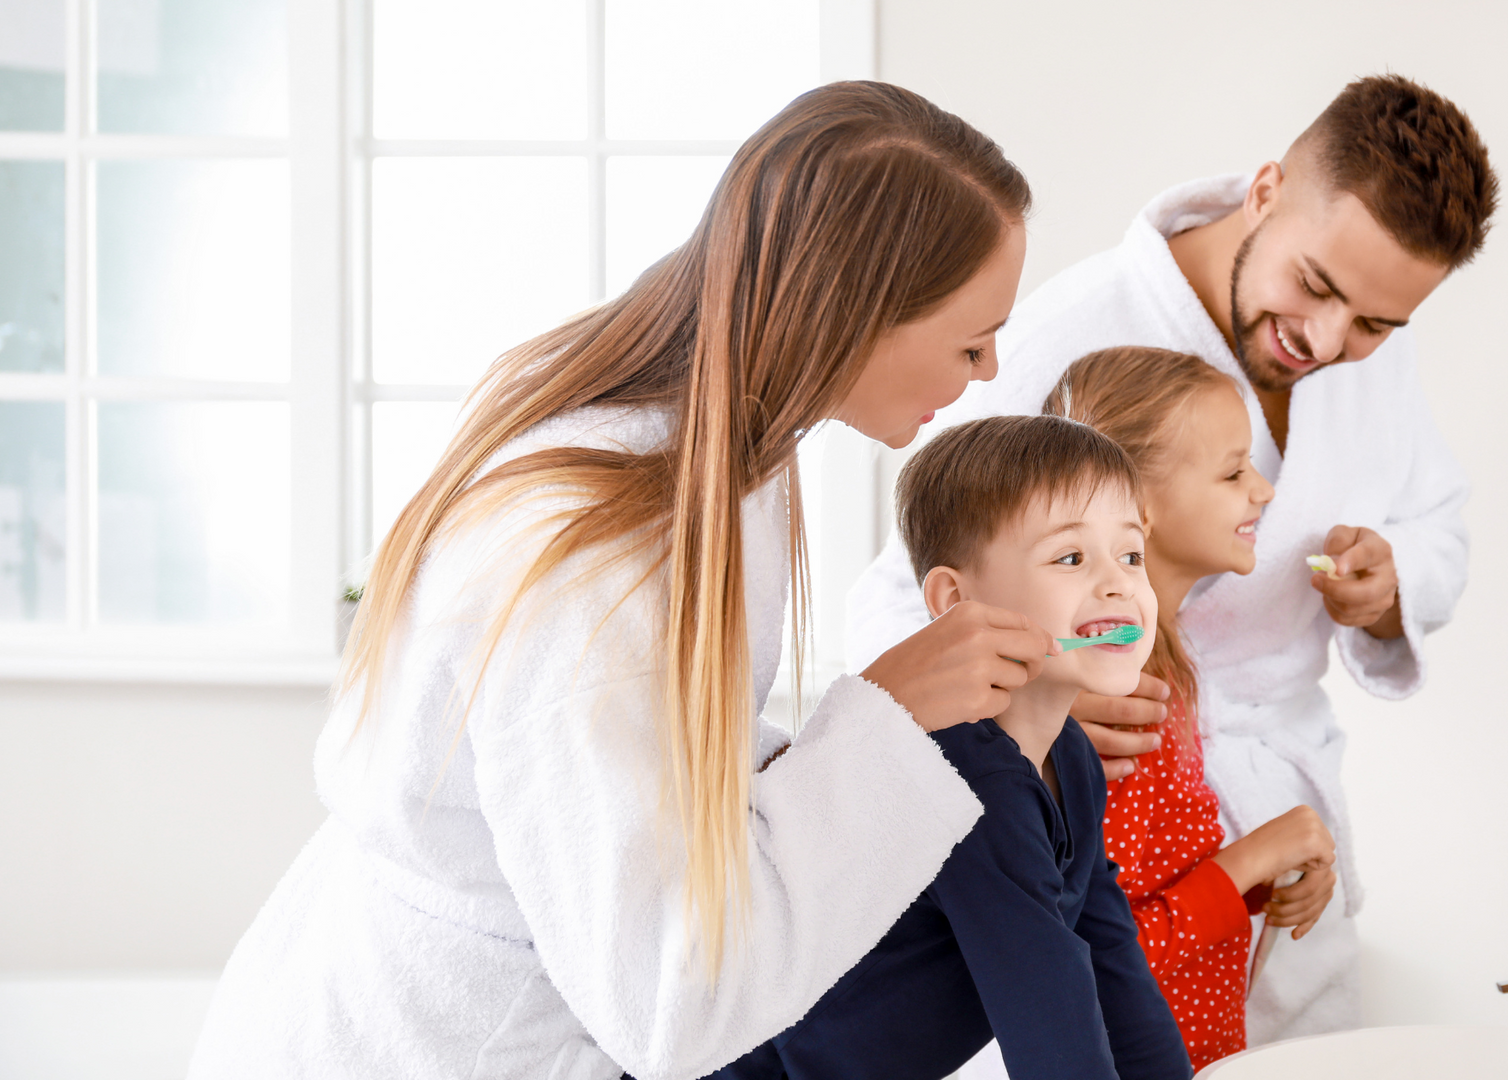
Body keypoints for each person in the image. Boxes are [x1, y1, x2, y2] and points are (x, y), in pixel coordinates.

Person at [186, 82, 1062, 1080]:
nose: (993, 368)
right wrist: (890, 718)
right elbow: (670, 1000)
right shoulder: (591, 564)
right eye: (969, 340)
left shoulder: (728, 454)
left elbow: (653, 759)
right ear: (854, 315)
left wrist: (914, 727)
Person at [846, 74, 1499, 1041]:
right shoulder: (1069, 337)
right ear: (1266, 191)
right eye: (1315, 287)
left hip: (1279, 824)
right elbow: (914, 591)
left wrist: (1395, 575)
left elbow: (1440, 518)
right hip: (1121, 798)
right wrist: (1047, 694)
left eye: (1374, 324)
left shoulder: (1371, 351)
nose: (1328, 340)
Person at [709, 414, 1191, 1080]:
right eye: (1072, 558)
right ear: (955, 600)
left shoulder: (1072, 760)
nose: (1118, 584)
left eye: (1131, 555)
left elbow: (1111, 964)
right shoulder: (969, 778)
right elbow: (1052, 1024)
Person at [1042, 346, 1333, 1068]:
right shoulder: (1119, 696)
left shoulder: (1164, 664)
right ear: (1140, 505)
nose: (1262, 491)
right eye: (1234, 472)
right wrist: (1255, 854)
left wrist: (1271, 872)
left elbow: (1156, 890)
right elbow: (1105, 952)